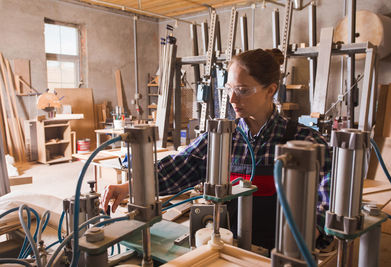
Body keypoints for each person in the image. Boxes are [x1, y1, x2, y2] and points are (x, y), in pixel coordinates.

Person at [101, 48, 331, 251]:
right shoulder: (222, 139)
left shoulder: (304, 141)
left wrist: (317, 226)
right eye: (229, 88)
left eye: (242, 90)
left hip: (280, 254)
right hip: (228, 249)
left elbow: (329, 190)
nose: (231, 98)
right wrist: (129, 187)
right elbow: (180, 165)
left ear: (270, 90)